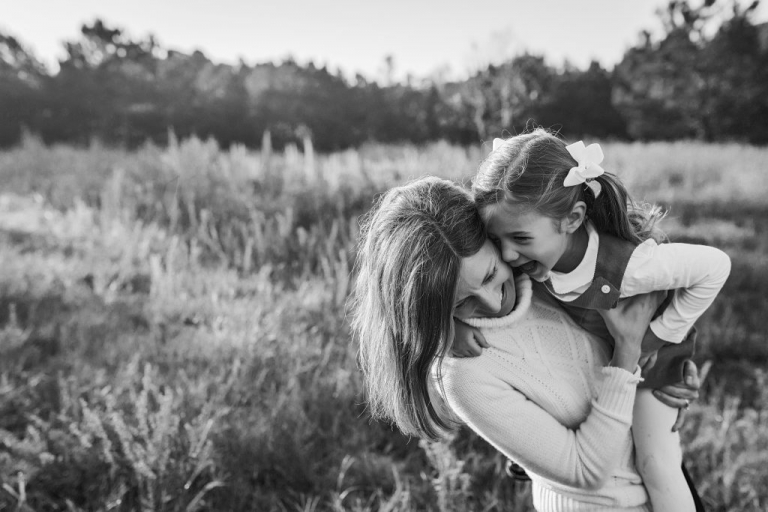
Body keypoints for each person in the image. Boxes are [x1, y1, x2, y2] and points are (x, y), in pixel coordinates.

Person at [351, 176, 701, 512]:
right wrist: (628, 352)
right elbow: (585, 470)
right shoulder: (464, 373)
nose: (493, 302)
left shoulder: (543, 268)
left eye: (490, 274)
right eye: (461, 303)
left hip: (669, 478)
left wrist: (665, 372)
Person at [457, 129, 729, 511]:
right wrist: (453, 325)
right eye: (496, 240)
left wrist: (658, 338)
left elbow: (716, 267)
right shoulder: (531, 251)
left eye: (519, 239)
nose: (508, 255)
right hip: (616, 372)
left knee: (658, 466)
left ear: (573, 219)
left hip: (654, 366)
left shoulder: (631, 267)